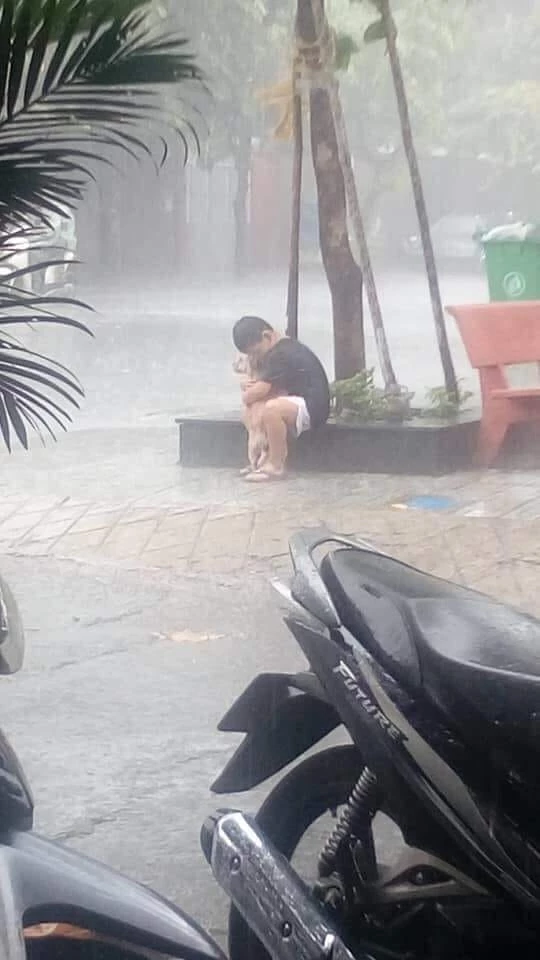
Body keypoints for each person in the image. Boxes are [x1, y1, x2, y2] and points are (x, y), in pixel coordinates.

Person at [232, 315, 330, 482]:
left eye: (256, 352)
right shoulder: (278, 350)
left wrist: (246, 393)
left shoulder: (281, 354)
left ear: (267, 336)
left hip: (312, 406)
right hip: (294, 400)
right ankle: (259, 460)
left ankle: (276, 464)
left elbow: (259, 391)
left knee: (272, 410)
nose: (255, 357)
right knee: (255, 409)